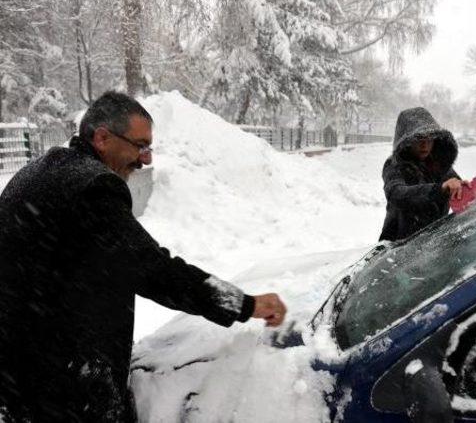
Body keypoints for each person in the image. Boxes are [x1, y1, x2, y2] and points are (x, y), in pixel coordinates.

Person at [0, 91, 287, 422]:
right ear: (103, 138)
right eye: (140, 145)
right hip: (56, 390)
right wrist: (245, 305)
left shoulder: (41, 172)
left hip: (18, 378)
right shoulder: (93, 189)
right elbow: (153, 270)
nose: (146, 159)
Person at [379, 107, 467, 242]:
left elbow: (455, 189)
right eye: (418, 138)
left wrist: (463, 188)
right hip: (396, 248)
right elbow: (396, 193)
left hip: (431, 246)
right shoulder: (394, 165)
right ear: (406, 141)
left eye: (429, 138)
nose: (425, 145)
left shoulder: (439, 164)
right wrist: (439, 189)